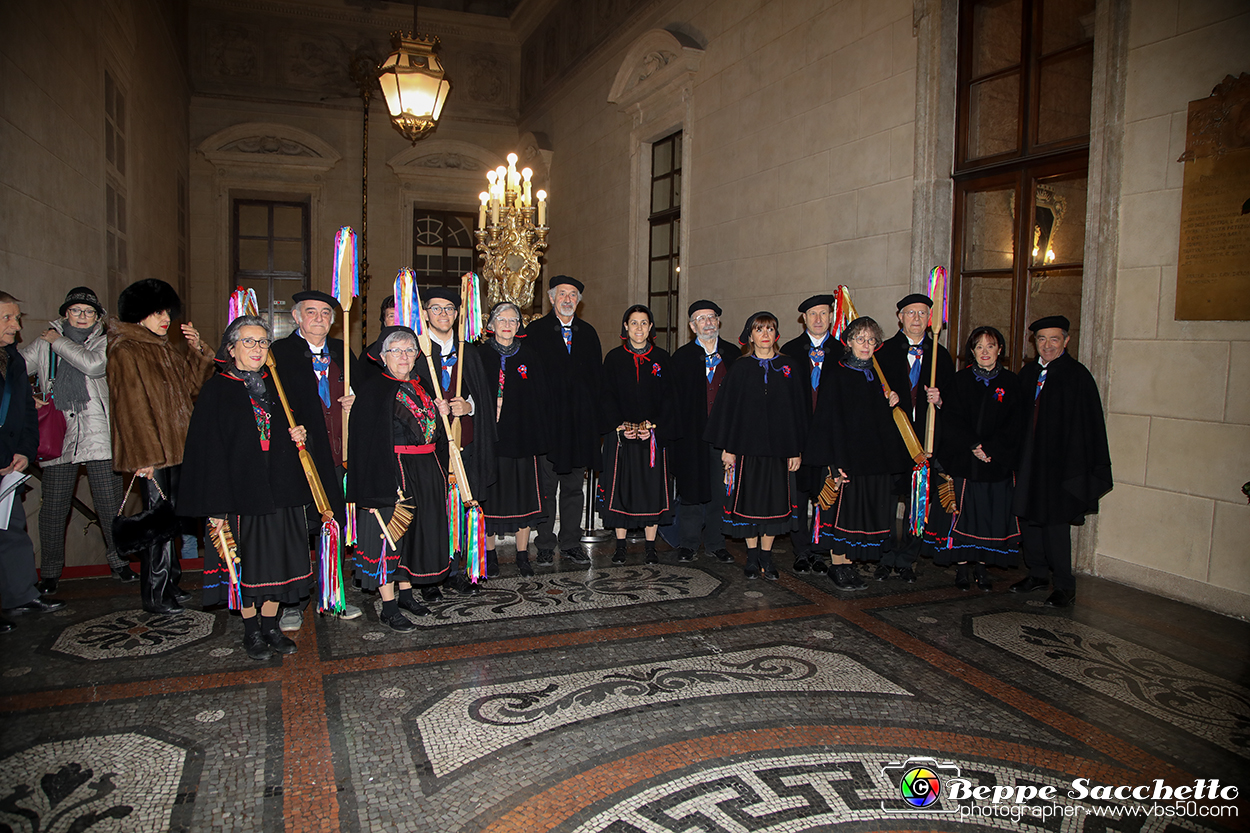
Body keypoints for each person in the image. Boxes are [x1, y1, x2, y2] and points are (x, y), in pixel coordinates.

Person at [178, 316, 314, 659]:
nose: (257, 349)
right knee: (248, 565)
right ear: (231, 347)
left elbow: (288, 425)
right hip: (241, 491)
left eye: (263, 342)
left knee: (276, 564)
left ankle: (271, 626)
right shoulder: (217, 389)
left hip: (279, 488)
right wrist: (217, 508)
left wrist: (297, 434)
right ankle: (251, 631)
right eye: (249, 342)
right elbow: (207, 452)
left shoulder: (276, 384)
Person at [108, 278, 214, 615]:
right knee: (157, 525)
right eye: (157, 312)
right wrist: (145, 457)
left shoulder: (161, 347)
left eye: (167, 311)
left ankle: (171, 582)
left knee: (172, 522)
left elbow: (191, 388)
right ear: (139, 314)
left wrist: (198, 352)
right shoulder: (126, 350)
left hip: (178, 449)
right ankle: (155, 594)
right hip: (154, 454)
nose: (165, 318)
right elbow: (131, 408)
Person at [20, 287, 135, 592]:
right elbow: (15, 371)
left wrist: (57, 341)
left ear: (97, 317)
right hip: (59, 437)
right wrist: (29, 397)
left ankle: (120, 563)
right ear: (65, 313)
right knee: (54, 509)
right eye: (76, 311)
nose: (82, 317)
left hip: (99, 436)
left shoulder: (104, 340)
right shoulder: (42, 344)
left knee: (110, 506)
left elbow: (93, 365)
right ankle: (51, 572)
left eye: (88, 312)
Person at [268, 290, 362, 630]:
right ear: (296, 317)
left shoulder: (341, 352)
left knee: (332, 527)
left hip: (337, 457)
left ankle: (332, 595)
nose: (319, 318)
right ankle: (293, 601)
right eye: (311, 312)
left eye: (325, 313)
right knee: (298, 531)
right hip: (299, 459)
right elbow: (270, 405)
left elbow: (364, 395)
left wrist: (356, 402)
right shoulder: (278, 354)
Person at [349, 326, 452, 632]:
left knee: (413, 538)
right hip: (392, 471)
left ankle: (406, 594)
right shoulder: (374, 391)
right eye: (396, 351)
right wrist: (371, 490)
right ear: (383, 357)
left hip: (426, 469)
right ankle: (389, 606)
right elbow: (363, 446)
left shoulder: (421, 387)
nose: (404, 356)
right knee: (390, 539)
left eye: (409, 350)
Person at [1010, 315, 1112, 608]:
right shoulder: (1028, 374)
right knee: (1028, 519)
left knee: (1054, 523)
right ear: (1035, 342)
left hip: (1060, 466)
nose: (1048, 345)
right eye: (1042, 339)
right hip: (1029, 460)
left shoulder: (1077, 376)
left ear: (1066, 341)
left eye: (1055, 339)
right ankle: (1037, 573)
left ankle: (1064, 584)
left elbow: (1088, 426)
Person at [808, 317, 911, 590]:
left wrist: (892, 401)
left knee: (860, 515)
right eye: (860, 339)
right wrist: (835, 462)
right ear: (849, 342)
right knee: (841, 513)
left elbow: (880, 419)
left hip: (873, 460)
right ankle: (837, 564)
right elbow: (829, 421)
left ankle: (849, 564)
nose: (866, 345)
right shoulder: (838, 374)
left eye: (871, 340)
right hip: (846, 459)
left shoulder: (879, 375)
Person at [705, 312, 808, 580]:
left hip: (779, 451)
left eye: (770, 329)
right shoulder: (739, 368)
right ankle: (751, 558)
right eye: (759, 330)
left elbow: (799, 412)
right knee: (749, 506)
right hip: (746, 451)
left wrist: (796, 450)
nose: (765, 335)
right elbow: (728, 411)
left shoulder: (790, 367)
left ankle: (767, 556)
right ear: (749, 335)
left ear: (776, 334)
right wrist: (728, 448)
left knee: (773, 507)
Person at [923, 326, 1024, 590]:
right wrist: (975, 444)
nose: (985, 352)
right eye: (979, 347)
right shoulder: (960, 381)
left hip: (996, 463)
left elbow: (1016, 425)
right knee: (964, 515)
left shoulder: (1012, 383)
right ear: (972, 351)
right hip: (964, 460)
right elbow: (952, 419)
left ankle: (982, 566)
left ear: (999, 350)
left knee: (987, 516)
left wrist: (991, 448)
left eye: (990, 346)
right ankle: (962, 568)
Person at [419, 287, 497, 592]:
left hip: (466, 447)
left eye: (449, 309)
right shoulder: (416, 350)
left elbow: (484, 400)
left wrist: (469, 406)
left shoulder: (470, 352)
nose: (443, 315)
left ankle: (456, 572)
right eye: (436, 309)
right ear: (425, 313)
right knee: (433, 511)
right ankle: (429, 575)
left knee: (463, 509)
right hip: (430, 450)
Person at [874, 292, 955, 581]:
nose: (917, 319)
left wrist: (941, 400)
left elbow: (956, 404)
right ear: (900, 317)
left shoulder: (940, 356)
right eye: (911, 313)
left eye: (922, 313)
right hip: (891, 442)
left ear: (930, 319)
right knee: (885, 502)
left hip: (924, 444)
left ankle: (907, 559)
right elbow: (869, 397)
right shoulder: (881, 353)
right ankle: (884, 556)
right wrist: (885, 398)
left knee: (917, 504)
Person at [524, 275, 602, 566]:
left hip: (579, 427)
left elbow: (596, 382)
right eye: (562, 294)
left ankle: (571, 542)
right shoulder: (536, 331)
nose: (568, 299)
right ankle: (544, 543)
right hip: (547, 426)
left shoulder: (588, 333)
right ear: (551, 298)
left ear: (578, 302)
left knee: (572, 488)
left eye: (573, 295)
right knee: (546, 488)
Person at [0, 291, 66, 631]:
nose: (16, 325)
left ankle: (21, 594)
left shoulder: (12, 358)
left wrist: (25, 451)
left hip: (11, 462)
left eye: (16, 318)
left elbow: (25, 410)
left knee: (12, 531)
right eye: (8, 318)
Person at [474, 302, 550, 577]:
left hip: (523, 440)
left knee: (524, 499)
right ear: (491, 325)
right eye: (501, 320)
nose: (507, 325)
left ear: (519, 326)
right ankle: (490, 554)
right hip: (491, 443)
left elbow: (542, 399)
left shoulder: (530, 356)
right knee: (491, 500)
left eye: (513, 320)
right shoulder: (479, 356)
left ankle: (522, 555)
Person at [598, 305, 674, 565]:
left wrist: (654, 426)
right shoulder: (614, 358)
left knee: (651, 491)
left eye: (644, 323)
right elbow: (605, 396)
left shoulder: (663, 359)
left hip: (651, 436)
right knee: (621, 490)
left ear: (651, 328)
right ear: (625, 327)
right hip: (622, 437)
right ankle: (620, 546)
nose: (639, 328)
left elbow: (669, 399)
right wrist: (621, 425)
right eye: (634, 323)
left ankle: (650, 546)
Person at [668, 300, 738, 564]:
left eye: (711, 317)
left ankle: (716, 543)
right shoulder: (681, 358)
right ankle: (688, 543)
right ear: (691, 326)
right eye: (701, 318)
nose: (707, 322)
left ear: (718, 321)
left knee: (719, 493)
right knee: (691, 492)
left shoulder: (733, 355)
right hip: (691, 438)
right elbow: (673, 401)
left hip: (723, 439)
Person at [780, 294, 845, 575]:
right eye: (812, 314)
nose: (818, 319)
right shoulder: (790, 350)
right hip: (798, 436)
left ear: (831, 317)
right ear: (803, 319)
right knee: (797, 495)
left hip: (829, 438)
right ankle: (801, 549)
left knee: (824, 495)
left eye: (823, 313)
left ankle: (819, 550)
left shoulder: (844, 351)